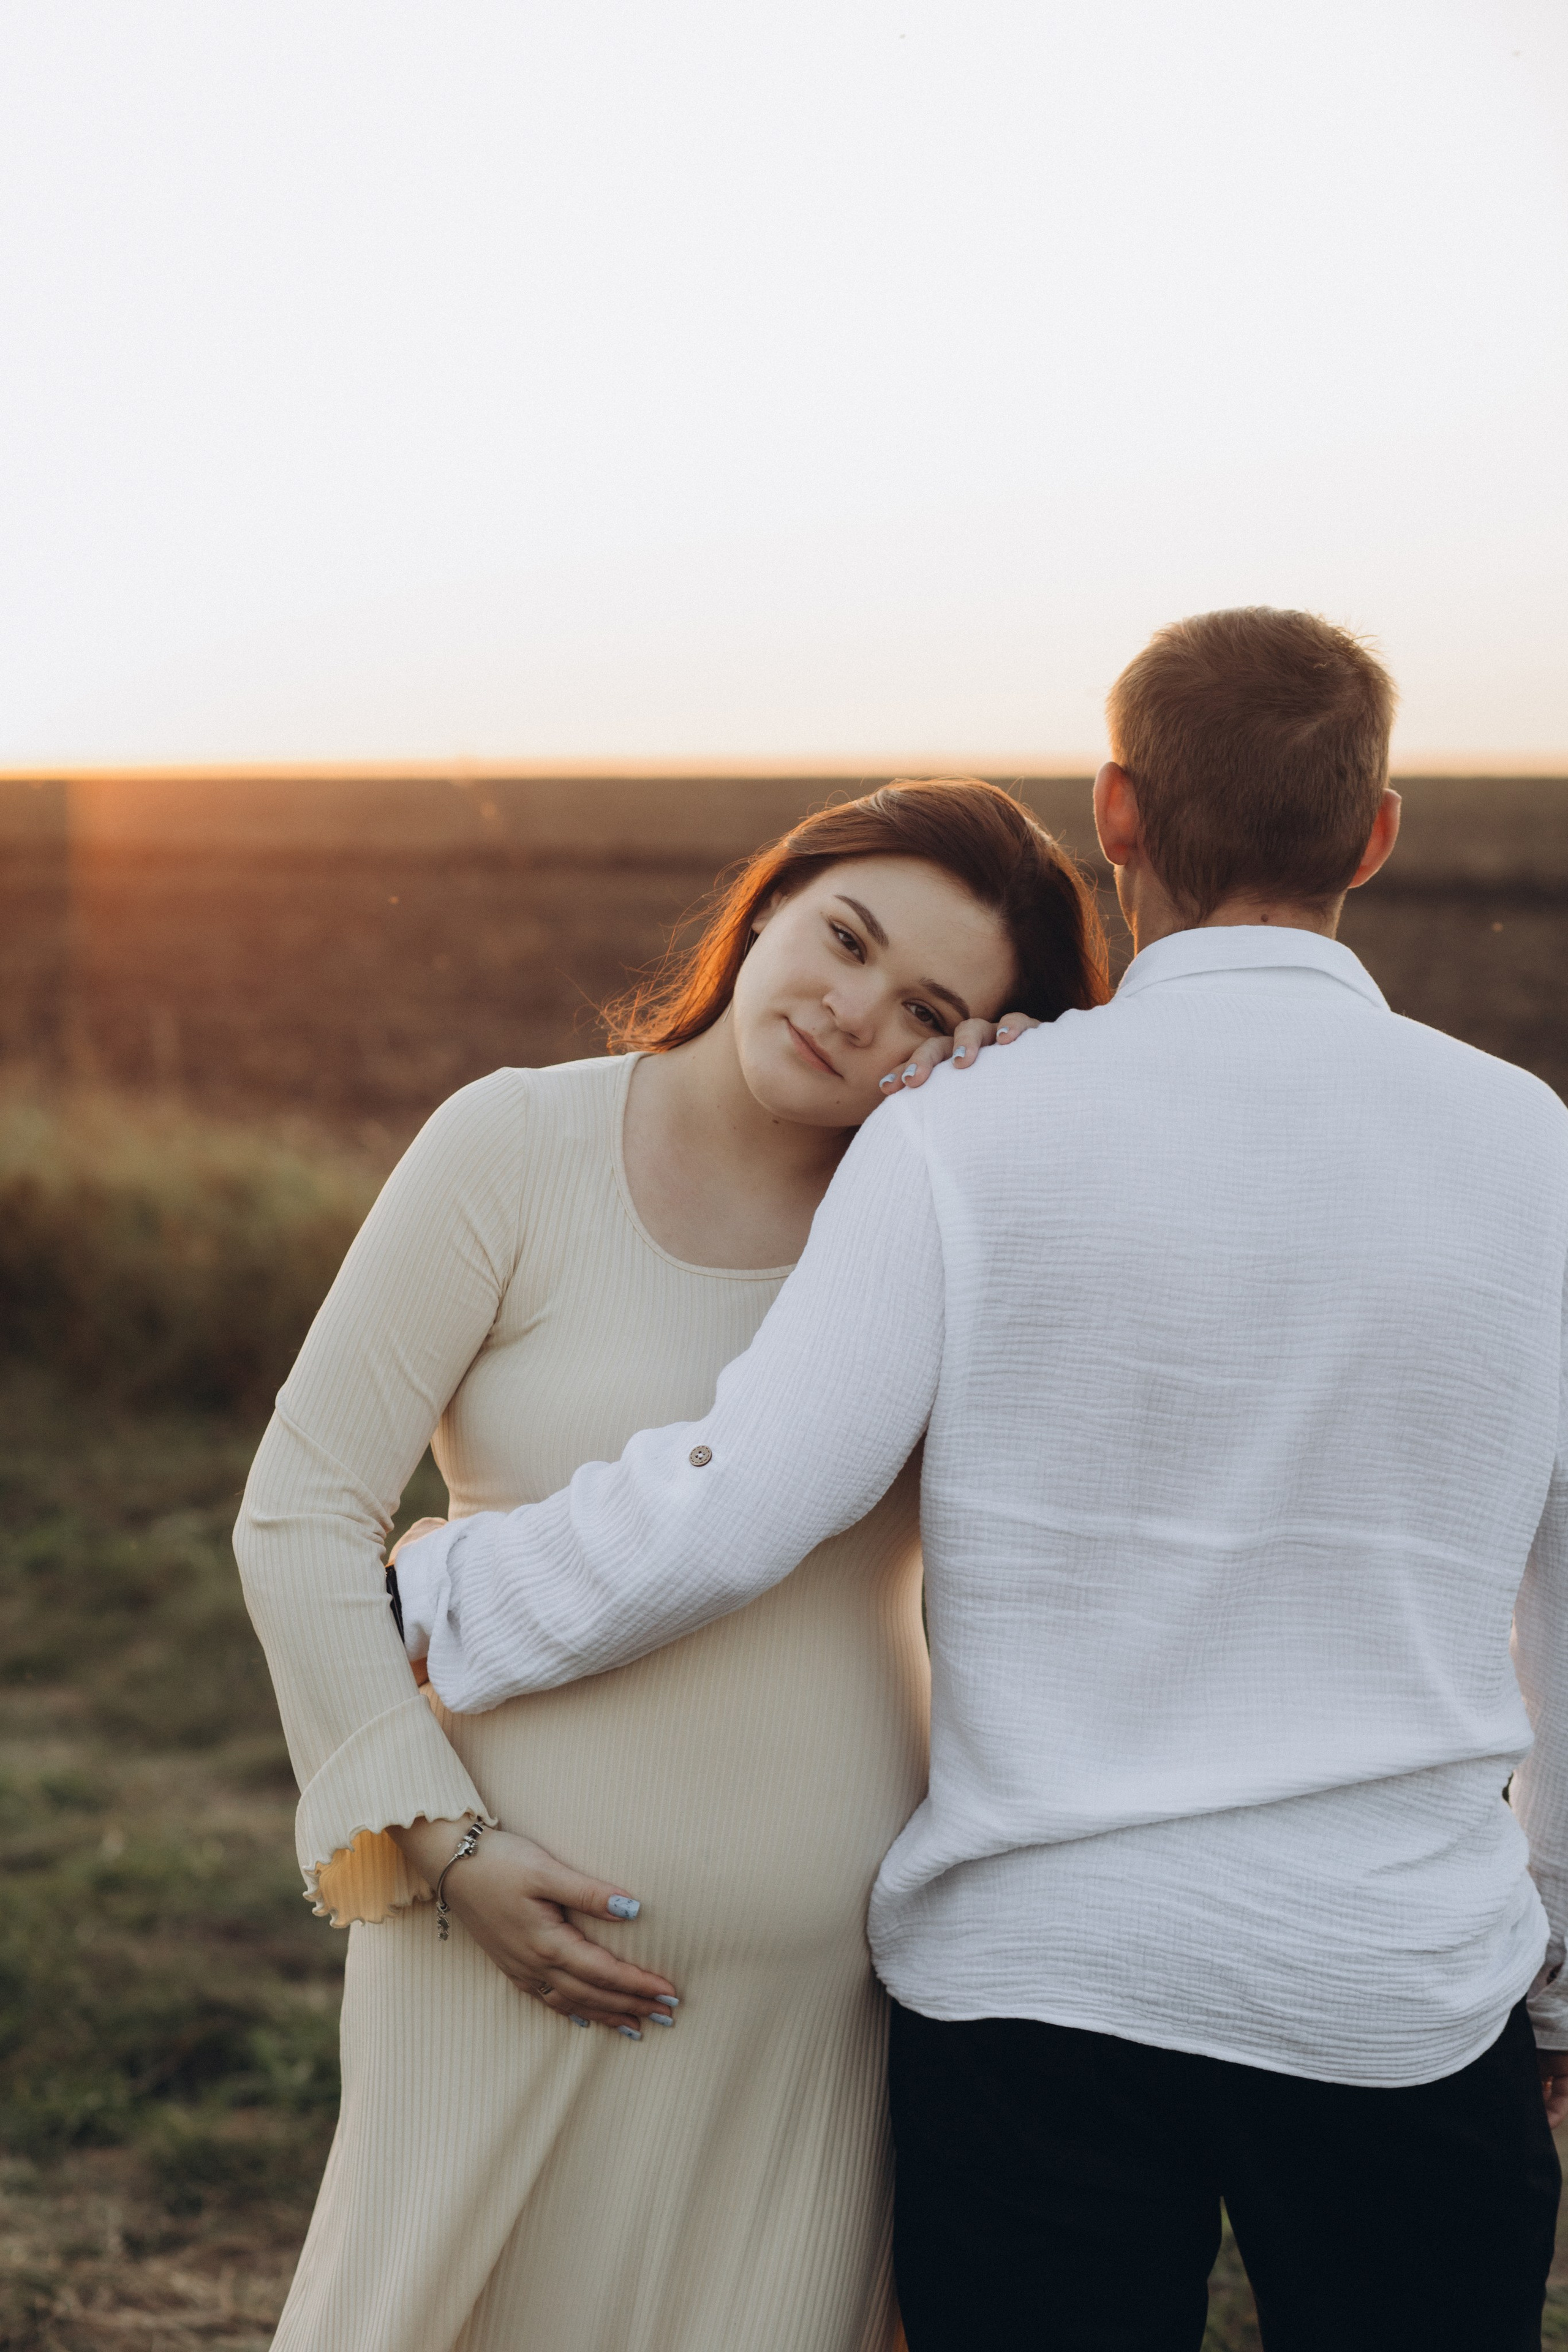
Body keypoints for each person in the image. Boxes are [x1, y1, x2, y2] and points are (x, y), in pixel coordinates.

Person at [394, 608, 1568, 2352]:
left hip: (1040, 1998)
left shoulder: (966, 1130)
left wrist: (441, 1589)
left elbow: (746, 1497)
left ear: (1118, 815)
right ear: (1378, 832)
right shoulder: (1537, 1155)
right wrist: (1552, 1980)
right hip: (1395, 1985)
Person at [234, 777, 1109, 2352]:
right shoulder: (512, 1143)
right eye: (842, 938)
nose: (853, 1014)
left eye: (926, 1010)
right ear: (768, 899)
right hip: (485, 1943)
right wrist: (440, 1852)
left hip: (812, 1984)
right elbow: (297, 1511)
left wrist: (1026, 1126)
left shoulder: (940, 1220)